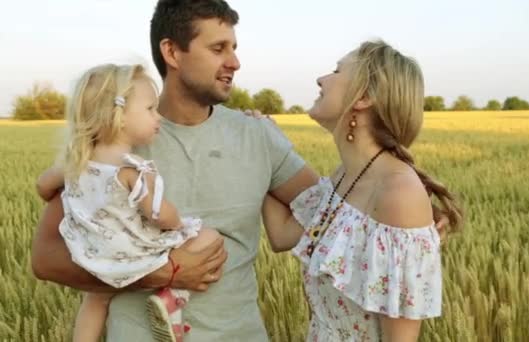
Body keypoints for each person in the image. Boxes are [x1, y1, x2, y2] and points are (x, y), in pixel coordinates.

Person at [31, 0, 319, 340]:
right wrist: (164, 274)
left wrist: (380, 163)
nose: (235, 62)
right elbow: (46, 259)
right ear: (172, 52)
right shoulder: (113, 138)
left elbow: (324, 210)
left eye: (234, 48)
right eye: (218, 48)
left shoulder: (257, 134)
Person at [261, 40, 463, 341]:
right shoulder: (345, 176)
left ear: (364, 96)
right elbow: (281, 235)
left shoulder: (398, 193)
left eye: (336, 71)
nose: (321, 79)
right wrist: (260, 144)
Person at [36, 63, 223, 342]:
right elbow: (158, 215)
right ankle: (171, 297)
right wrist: (178, 222)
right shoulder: (131, 172)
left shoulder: (74, 164)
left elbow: (42, 186)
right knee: (209, 235)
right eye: (149, 109)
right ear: (120, 116)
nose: (157, 115)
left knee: (96, 301)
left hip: (92, 254)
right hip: (131, 254)